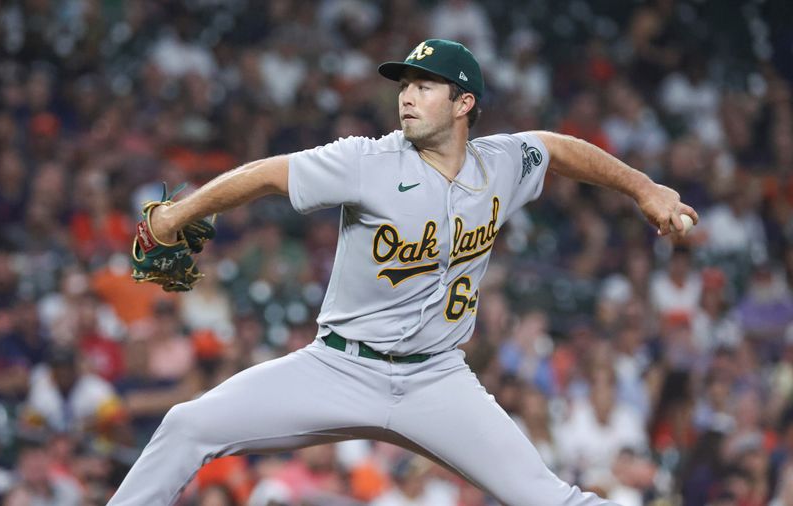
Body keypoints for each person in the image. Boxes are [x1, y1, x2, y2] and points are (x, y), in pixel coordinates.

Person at [108, 39, 698, 505]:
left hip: (437, 381)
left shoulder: (501, 166)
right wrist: (178, 214)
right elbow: (268, 173)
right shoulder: (365, 161)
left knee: (548, 498)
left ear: (464, 103)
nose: (407, 96)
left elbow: (558, 147)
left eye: (425, 85)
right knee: (187, 426)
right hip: (338, 366)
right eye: (405, 85)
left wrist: (644, 188)